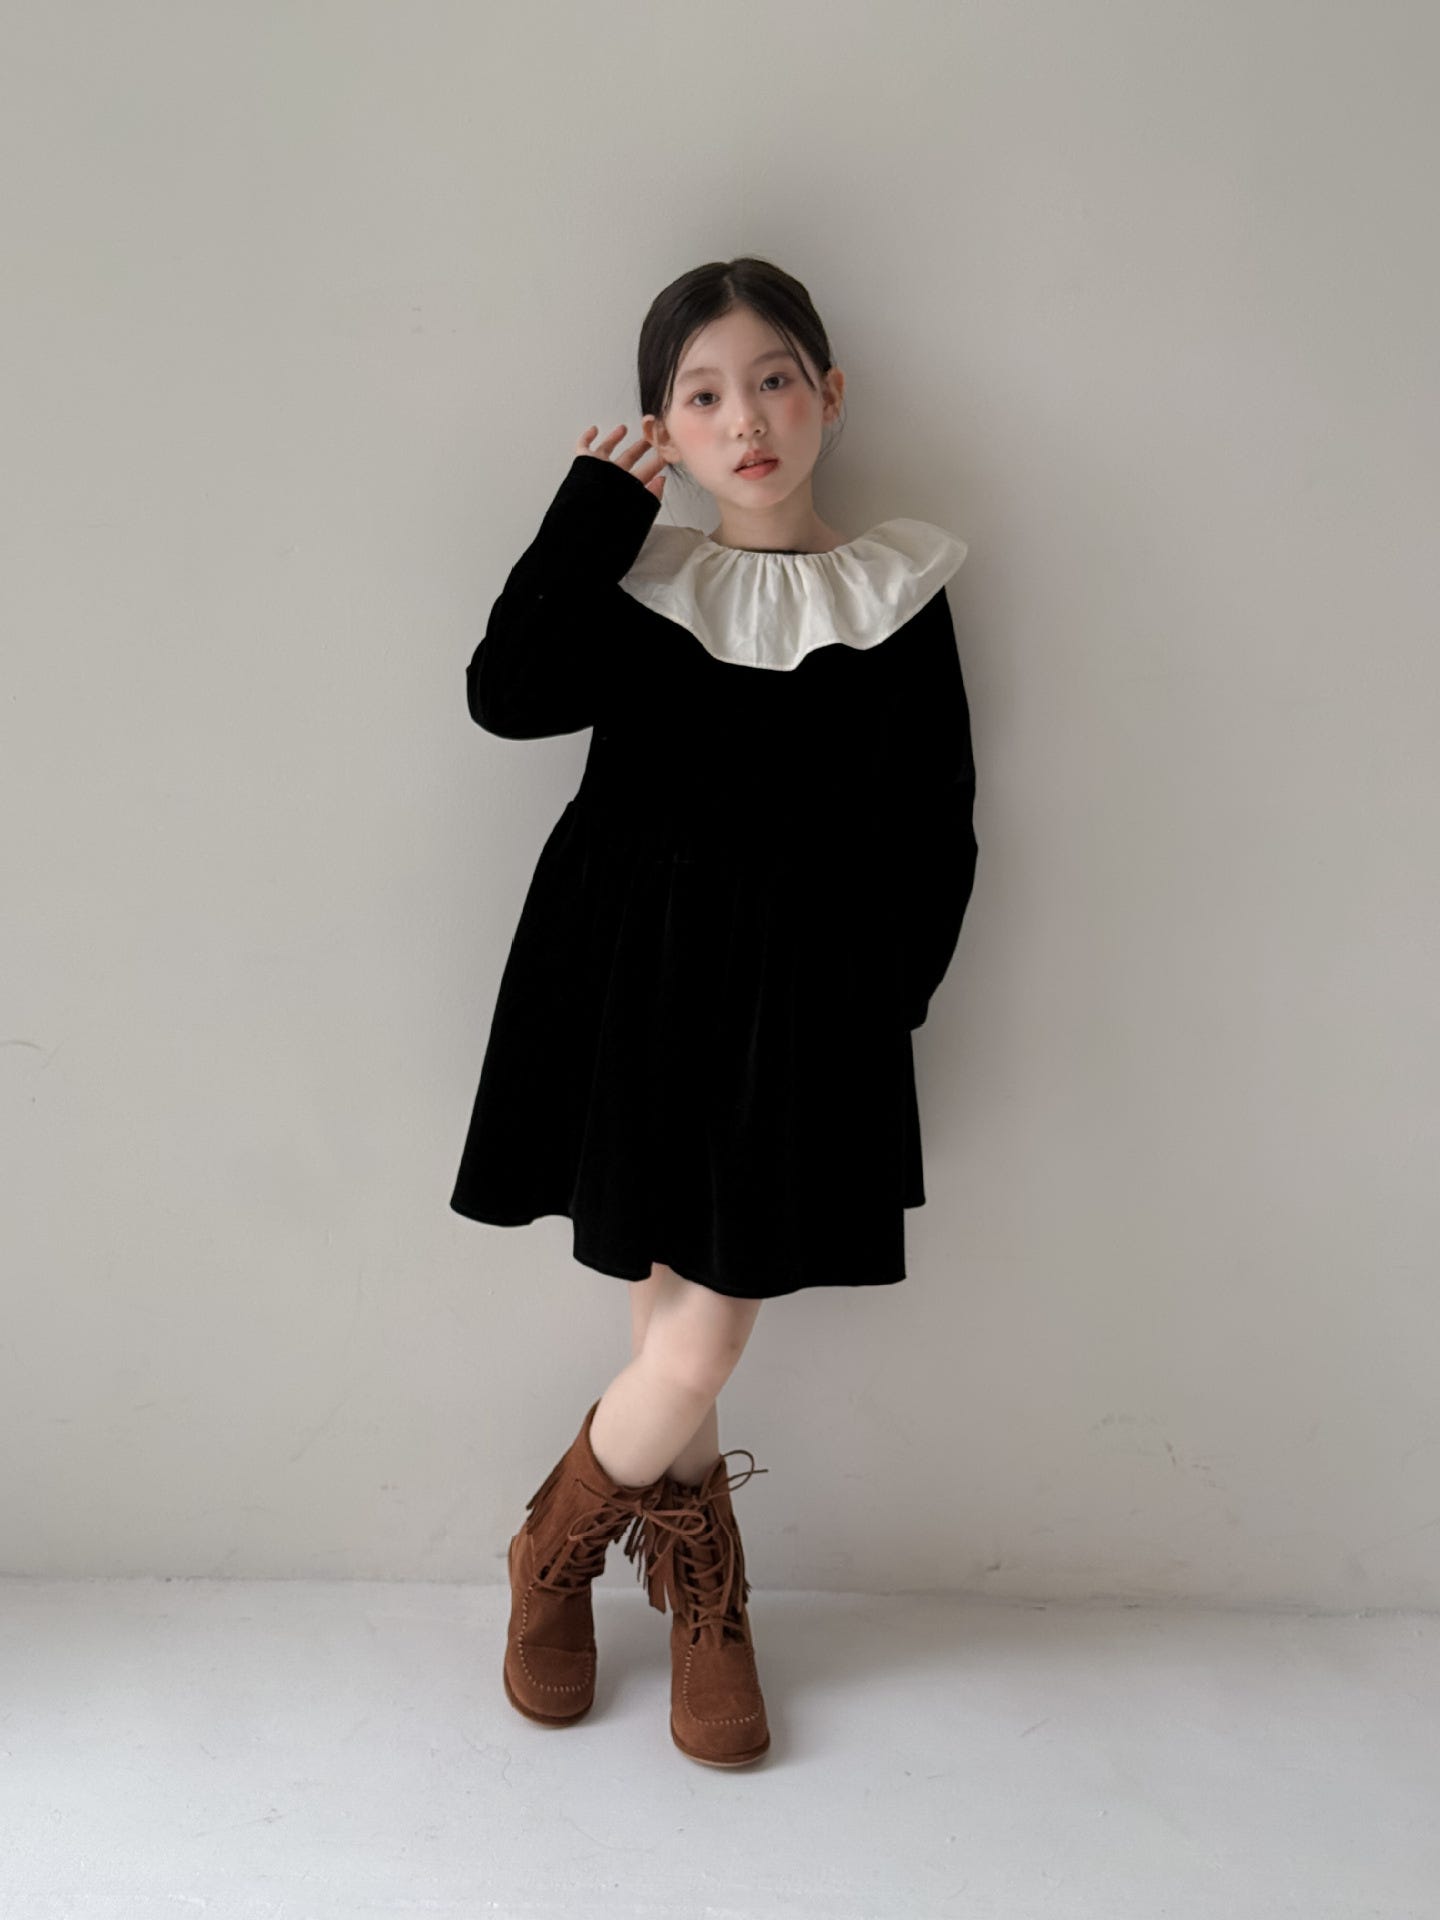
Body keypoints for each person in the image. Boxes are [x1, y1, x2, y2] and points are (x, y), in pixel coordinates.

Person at [449, 257, 979, 1767]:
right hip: (626, 979)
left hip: (796, 1010)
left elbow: (938, 823)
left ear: (829, 394)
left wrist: (886, 1004)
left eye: (773, 380)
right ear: (666, 431)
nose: (745, 418)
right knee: (675, 1327)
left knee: (698, 1337)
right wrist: (589, 516)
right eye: (701, 396)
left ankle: (557, 1541)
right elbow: (504, 693)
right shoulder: (641, 581)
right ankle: (697, 1587)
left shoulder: (896, 591)